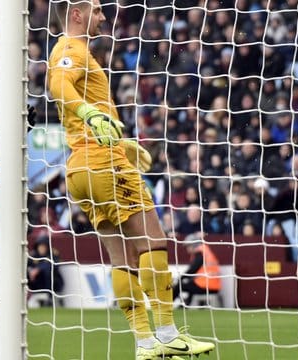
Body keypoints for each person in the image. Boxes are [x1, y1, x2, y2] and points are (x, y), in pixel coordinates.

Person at [47, 2, 215, 359]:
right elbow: (58, 83)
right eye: (95, 10)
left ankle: (144, 342)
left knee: (121, 257)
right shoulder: (70, 49)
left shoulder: (74, 51)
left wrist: (121, 142)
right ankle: (168, 334)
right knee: (153, 242)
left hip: (79, 170)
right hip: (102, 161)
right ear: (76, 14)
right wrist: (89, 112)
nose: (103, 17)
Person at [173, 232, 221, 306]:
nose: (187, 249)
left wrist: (180, 278)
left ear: (193, 245)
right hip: (214, 286)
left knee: (179, 286)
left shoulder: (200, 253)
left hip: (205, 286)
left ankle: (167, 305)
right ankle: (185, 305)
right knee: (190, 285)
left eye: (188, 246)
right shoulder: (206, 252)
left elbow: (192, 270)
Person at [26, 235, 64, 308]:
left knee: (47, 270)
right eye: (40, 246)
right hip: (37, 283)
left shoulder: (53, 254)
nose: (42, 248)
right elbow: (27, 265)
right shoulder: (32, 255)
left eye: (44, 246)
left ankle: (48, 296)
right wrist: (30, 271)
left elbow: (55, 265)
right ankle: (27, 294)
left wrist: (38, 269)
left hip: (53, 283)